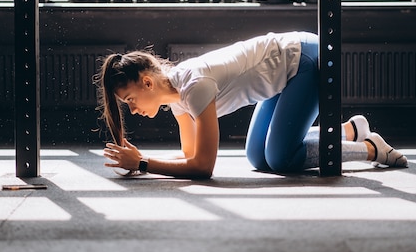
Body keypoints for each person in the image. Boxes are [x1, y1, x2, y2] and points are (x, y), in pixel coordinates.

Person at [95, 31, 408, 179]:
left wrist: (143, 164)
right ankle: (349, 130)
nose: (133, 110)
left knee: (281, 158)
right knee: (258, 156)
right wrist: (141, 159)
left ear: (148, 82)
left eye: (131, 100)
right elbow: (190, 156)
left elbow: (203, 167)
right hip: (282, 73)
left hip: (308, 60)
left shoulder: (194, 85)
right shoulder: (177, 100)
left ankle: (368, 148)